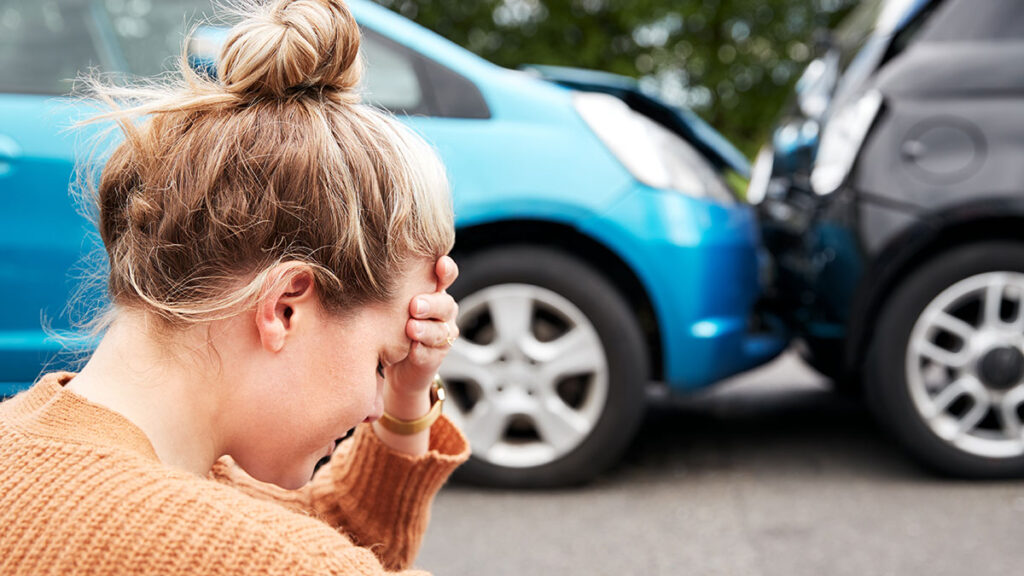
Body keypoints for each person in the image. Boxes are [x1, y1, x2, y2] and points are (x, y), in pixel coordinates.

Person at [0, 0, 469, 574]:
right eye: (380, 364)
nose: (378, 406)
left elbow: (333, 531)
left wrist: (408, 389)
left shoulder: (30, 447)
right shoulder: (271, 558)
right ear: (283, 308)